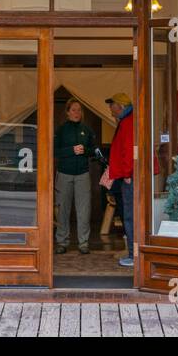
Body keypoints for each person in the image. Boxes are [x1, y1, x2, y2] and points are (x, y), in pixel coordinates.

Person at [54, 98, 97, 254]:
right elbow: (54, 151)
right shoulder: (61, 130)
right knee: (62, 209)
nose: (77, 113)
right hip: (64, 174)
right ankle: (62, 242)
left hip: (82, 175)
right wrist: (71, 150)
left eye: (79, 110)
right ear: (67, 112)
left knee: (84, 209)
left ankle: (83, 243)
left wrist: (85, 150)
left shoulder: (87, 129)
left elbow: (95, 150)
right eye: (73, 110)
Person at [105, 92, 135, 268]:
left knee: (130, 216)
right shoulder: (126, 121)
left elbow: (130, 151)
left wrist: (127, 174)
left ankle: (133, 254)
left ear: (121, 107)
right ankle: (133, 251)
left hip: (128, 177)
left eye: (112, 106)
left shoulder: (128, 123)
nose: (110, 111)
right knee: (129, 214)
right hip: (126, 175)